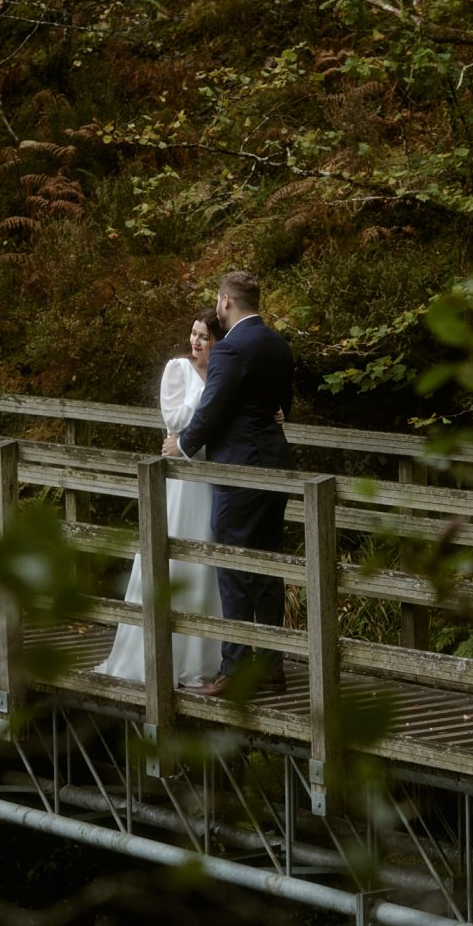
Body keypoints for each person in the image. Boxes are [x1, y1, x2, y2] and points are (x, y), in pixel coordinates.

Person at [163, 271, 294, 697]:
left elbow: (212, 411)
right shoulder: (278, 344)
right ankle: (272, 665)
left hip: (240, 469)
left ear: (224, 301)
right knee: (268, 564)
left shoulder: (232, 348)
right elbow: (281, 406)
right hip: (275, 461)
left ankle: (234, 670)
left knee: (233, 562)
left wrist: (182, 445)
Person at [95, 308, 225, 687]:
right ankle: (158, 656)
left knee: (207, 562)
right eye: (194, 333)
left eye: (204, 336)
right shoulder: (178, 370)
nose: (196, 341)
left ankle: (205, 658)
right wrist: (206, 396)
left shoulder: (222, 373)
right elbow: (174, 421)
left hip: (210, 476)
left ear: (218, 342)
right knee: (173, 556)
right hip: (182, 478)